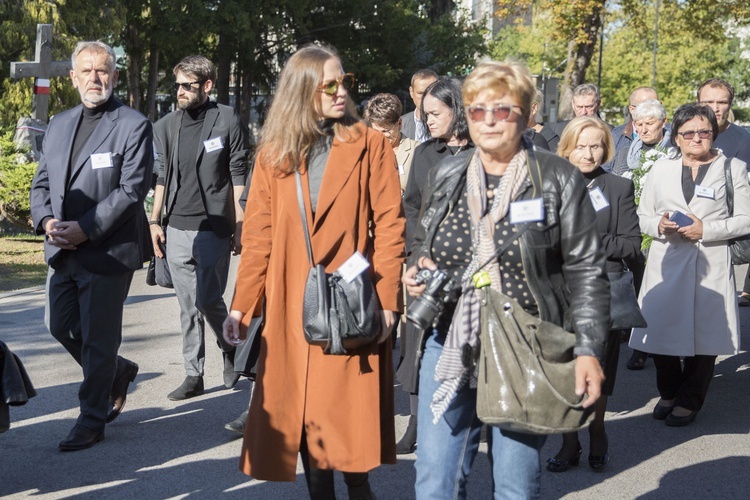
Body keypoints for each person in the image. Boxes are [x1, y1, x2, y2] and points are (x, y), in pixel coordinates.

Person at [403, 60, 607, 499]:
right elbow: (424, 242)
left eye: (504, 109)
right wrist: (418, 268)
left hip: (524, 341)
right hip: (451, 336)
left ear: (526, 113)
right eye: (478, 111)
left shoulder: (557, 177)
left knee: (515, 485)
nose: (489, 120)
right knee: (434, 482)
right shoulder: (448, 172)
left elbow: (586, 270)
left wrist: (589, 350)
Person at [222, 44, 404, 499]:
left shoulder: (371, 144)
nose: (342, 91)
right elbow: (259, 238)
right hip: (292, 304)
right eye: (330, 84)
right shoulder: (274, 152)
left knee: (349, 418)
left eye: (345, 80)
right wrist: (242, 307)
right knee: (305, 416)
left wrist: (387, 301)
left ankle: (360, 488)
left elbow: (390, 228)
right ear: (305, 89)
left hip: (352, 300)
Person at [29, 41, 152, 451]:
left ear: (114, 76)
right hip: (62, 247)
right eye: (87, 71)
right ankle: (116, 371)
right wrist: (46, 220)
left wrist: (85, 228)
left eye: (103, 71)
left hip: (106, 250)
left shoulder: (132, 124)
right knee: (58, 325)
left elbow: (131, 191)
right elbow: (42, 182)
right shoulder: (60, 124)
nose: (95, 79)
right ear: (73, 77)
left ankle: (92, 417)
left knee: (98, 340)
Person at [629, 103, 750, 427]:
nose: (697, 138)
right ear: (677, 137)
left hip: (709, 258)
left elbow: (746, 218)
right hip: (667, 258)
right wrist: (659, 225)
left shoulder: (732, 168)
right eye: (689, 133)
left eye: (704, 132)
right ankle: (668, 390)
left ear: (713, 133)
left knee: (706, 335)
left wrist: (706, 230)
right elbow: (642, 216)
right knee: (660, 327)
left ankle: (690, 398)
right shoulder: (660, 170)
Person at [150, 55, 249, 401]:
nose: (179, 91)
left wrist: (239, 223)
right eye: (177, 84)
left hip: (214, 226)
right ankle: (194, 374)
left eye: (187, 85)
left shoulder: (226, 119)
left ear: (207, 86)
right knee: (187, 306)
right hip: (176, 225)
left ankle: (231, 347)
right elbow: (161, 176)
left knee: (208, 299)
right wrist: (154, 220)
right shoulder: (165, 126)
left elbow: (238, 172)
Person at [547, 117, 642, 473]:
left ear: (606, 148)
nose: (588, 153)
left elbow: (631, 245)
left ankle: (598, 430)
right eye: (581, 145)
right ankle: (569, 440)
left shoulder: (617, 186)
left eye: (596, 145)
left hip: (602, 293)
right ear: (566, 148)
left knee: (597, 370)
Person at [398, 77, 473, 455]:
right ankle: (415, 424)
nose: (427, 120)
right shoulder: (427, 154)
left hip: (472, 271)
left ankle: (468, 423)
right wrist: (416, 254)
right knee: (418, 345)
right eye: (424, 114)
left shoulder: (482, 152)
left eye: (434, 113)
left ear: (457, 110)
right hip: (425, 265)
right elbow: (411, 207)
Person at [697, 79, 750, 307]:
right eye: (709, 101)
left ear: (730, 104)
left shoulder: (744, 139)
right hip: (688, 224)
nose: (715, 107)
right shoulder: (684, 134)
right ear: (698, 102)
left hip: (725, 228)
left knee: (717, 298)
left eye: (722, 102)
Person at [363, 93, 419, 193]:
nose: (381, 137)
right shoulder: (364, 151)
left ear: (399, 123)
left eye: (386, 131)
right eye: (376, 131)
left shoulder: (417, 151)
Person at [604, 87, 659, 172]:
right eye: (646, 107)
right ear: (632, 110)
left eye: (656, 105)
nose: (652, 110)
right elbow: (606, 172)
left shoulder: (672, 134)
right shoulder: (616, 136)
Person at [612, 100, 672, 177]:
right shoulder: (625, 153)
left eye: (649, 124)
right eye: (639, 125)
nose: (644, 130)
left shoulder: (674, 150)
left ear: (663, 122)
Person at [401, 69, 439, 142]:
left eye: (431, 92)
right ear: (411, 92)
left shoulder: (449, 125)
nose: (425, 98)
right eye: (421, 93)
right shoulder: (400, 125)